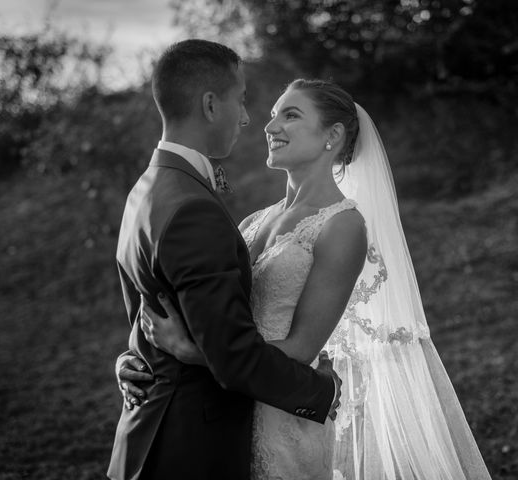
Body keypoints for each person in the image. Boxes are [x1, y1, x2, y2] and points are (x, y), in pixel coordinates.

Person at [126, 79, 494, 479]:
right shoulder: (253, 221)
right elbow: (205, 309)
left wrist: (191, 352)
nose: (270, 127)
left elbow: (302, 349)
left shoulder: (343, 226)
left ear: (332, 136)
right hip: (227, 405)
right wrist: (141, 355)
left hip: (279, 420)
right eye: (272, 116)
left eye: (291, 115)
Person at [106, 40, 343, 480]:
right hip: (189, 447)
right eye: (243, 99)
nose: (250, 118)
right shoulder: (191, 206)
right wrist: (323, 392)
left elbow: (158, 303)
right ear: (211, 105)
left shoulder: (148, 188)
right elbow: (232, 356)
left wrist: (144, 357)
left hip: (158, 434)